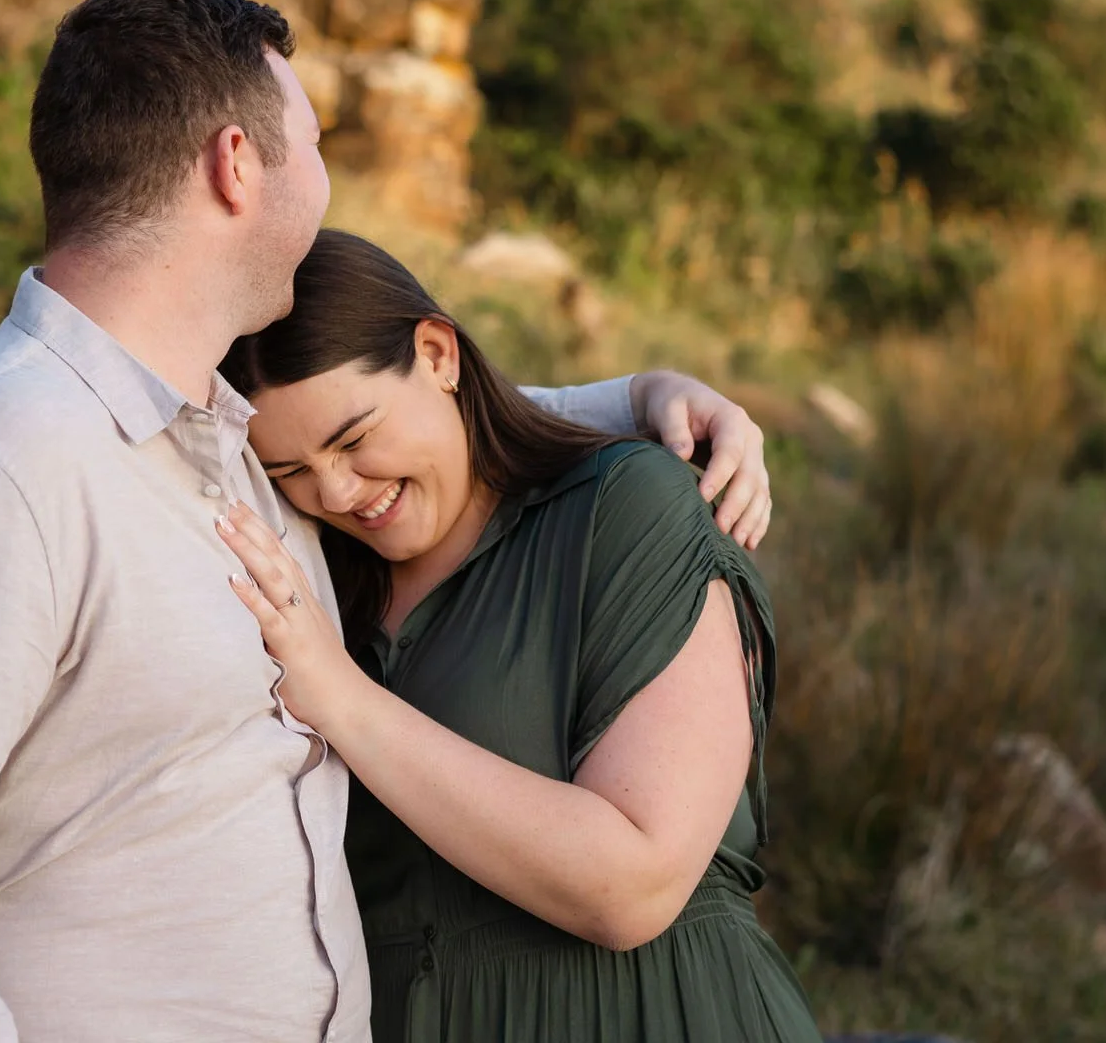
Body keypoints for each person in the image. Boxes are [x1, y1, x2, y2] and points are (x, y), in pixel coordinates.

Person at [0, 0, 775, 1042]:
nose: (325, 182)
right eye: (310, 142)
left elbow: (419, 429)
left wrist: (641, 398)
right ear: (237, 164)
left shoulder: (235, 443)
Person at [213, 228, 819, 1043]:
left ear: (438, 355)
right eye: (288, 472)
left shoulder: (623, 509)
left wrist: (343, 701)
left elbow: (633, 886)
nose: (337, 491)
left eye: (353, 441)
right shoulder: (317, 581)